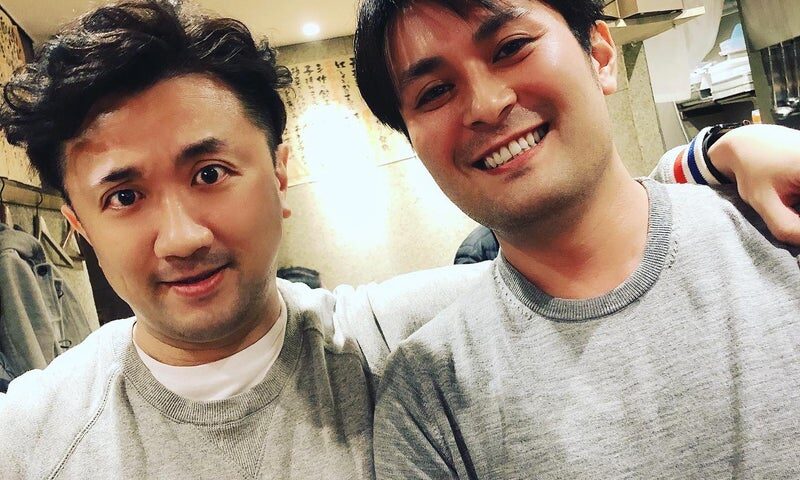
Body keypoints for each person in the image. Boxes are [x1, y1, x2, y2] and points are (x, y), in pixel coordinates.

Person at [0, 1, 795, 479]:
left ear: (279, 173)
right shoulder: (33, 436)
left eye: (210, 173)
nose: (180, 236)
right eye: (124, 196)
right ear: (77, 224)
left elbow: (591, 238)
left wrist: (714, 159)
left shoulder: (404, 346)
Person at [353, 0, 800, 478]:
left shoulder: (781, 231)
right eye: (435, 91)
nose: (485, 105)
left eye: (511, 47)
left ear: (600, 56)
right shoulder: (428, 399)